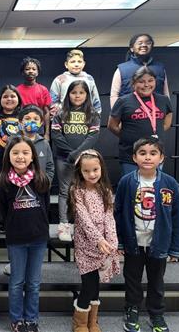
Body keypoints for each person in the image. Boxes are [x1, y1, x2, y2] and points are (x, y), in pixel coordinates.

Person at [114, 137, 179, 332]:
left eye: (153, 153)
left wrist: (176, 248)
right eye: (142, 153)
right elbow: (118, 213)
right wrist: (119, 242)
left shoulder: (169, 183)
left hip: (159, 244)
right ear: (134, 157)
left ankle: (156, 314)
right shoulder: (127, 182)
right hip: (133, 243)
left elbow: (177, 218)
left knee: (156, 282)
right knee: (132, 280)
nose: (147, 157)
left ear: (161, 158)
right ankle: (132, 310)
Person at [0, 136, 50, 332]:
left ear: (32, 156)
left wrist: (42, 230)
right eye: (15, 152)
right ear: (8, 156)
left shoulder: (41, 179)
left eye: (25, 152)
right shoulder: (3, 183)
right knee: (17, 282)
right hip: (16, 240)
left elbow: (44, 207)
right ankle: (16, 319)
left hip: (38, 239)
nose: (20, 157)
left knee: (34, 283)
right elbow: (3, 211)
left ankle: (31, 319)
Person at [68, 150, 120, 332]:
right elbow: (83, 218)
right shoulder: (76, 190)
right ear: (79, 172)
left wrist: (111, 241)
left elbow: (109, 217)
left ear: (101, 168)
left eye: (95, 170)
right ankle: (80, 322)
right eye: (87, 171)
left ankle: (92, 322)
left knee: (96, 286)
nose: (92, 174)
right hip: (86, 245)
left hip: (103, 245)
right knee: (89, 286)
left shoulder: (105, 189)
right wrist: (98, 239)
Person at [3, 104, 54, 276]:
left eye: (35, 119)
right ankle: (14, 264)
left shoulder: (44, 143)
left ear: (41, 123)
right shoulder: (13, 141)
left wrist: (43, 182)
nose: (31, 122)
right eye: (27, 119)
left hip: (37, 190)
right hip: (16, 195)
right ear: (20, 122)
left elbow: (50, 167)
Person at [51, 81, 100, 241]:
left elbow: (92, 136)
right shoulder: (60, 113)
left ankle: (83, 225)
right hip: (64, 158)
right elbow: (56, 135)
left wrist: (79, 153)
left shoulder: (92, 114)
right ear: (68, 94)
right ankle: (64, 226)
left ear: (87, 95)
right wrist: (70, 153)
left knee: (83, 191)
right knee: (64, 191)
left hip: (85, 160)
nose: (77, 96)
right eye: (74, 92)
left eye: (81, 93)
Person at [107, 66, 172, 176]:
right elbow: (112, 125)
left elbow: (167, 123)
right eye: (141, 82)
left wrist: (152, 135)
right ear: (133, 83)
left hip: (154, 154)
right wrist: (128, 137)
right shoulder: (123, 101)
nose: (146, 85)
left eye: (150, 81)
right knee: (132, 188)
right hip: (130, 156)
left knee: (154, 188)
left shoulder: (163, 100)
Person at [110, 34, 170, 108]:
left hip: (156, 114)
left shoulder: (160, 68)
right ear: (132, 48)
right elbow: (114, 95)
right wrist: (116, 116)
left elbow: (166, 94)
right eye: (140, 43)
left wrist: (168, 112)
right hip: (129, 114)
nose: (144, 45)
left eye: (148, 43)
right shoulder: (122, 69)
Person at [49, 49, 102, 116]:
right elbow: (53, 101)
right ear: (66, 64)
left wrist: (96, 116)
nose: (76, 64)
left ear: (84, 64)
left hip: (86, 118)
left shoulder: (89, 79)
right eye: (73, 62)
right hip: (65, 119)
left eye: (79, 62)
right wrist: (57, 117)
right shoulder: (59, 79)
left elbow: (95, 100)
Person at [15, 57, 52, 138]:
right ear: (22, 72)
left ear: (37, 72)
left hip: (39, 128)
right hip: (22, 129)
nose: (31, 71)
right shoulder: (17, 90)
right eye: (27, 69)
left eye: (34, 69)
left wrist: (47, 133)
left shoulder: (43, 90)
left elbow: (46, 113)